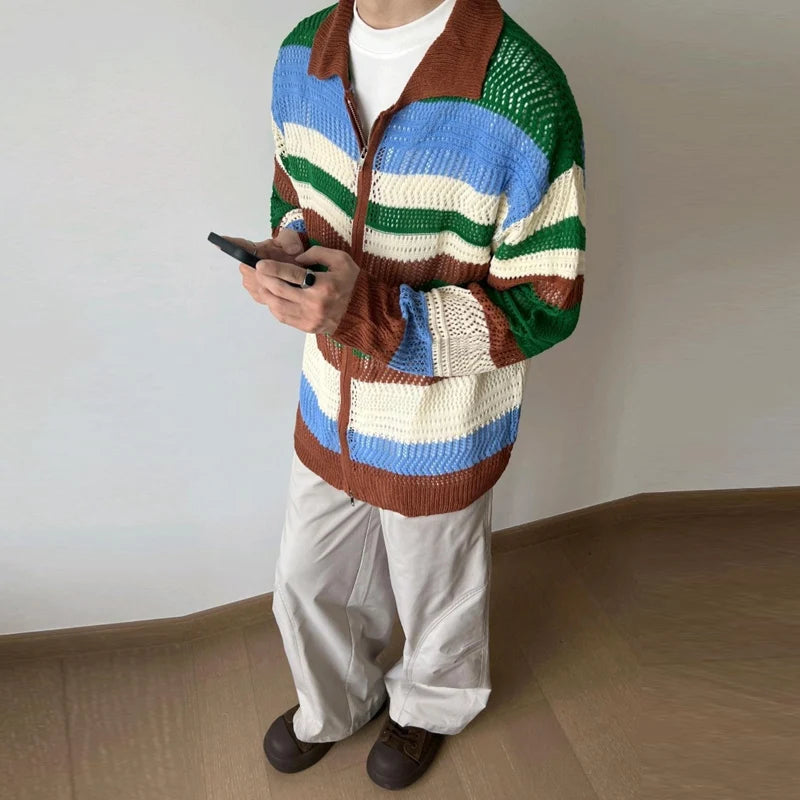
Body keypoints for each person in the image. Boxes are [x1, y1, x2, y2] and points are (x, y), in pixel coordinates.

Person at [225, 0, 586, 789]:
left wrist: (369, 312)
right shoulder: (302, 53)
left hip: (443, 423)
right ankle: (334, 703)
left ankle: (431, 707)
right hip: (330, 399)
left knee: (439, 589)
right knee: (307, 579)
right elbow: (294, 195)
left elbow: (543, 305)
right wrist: (287, 246)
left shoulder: (521, 91)